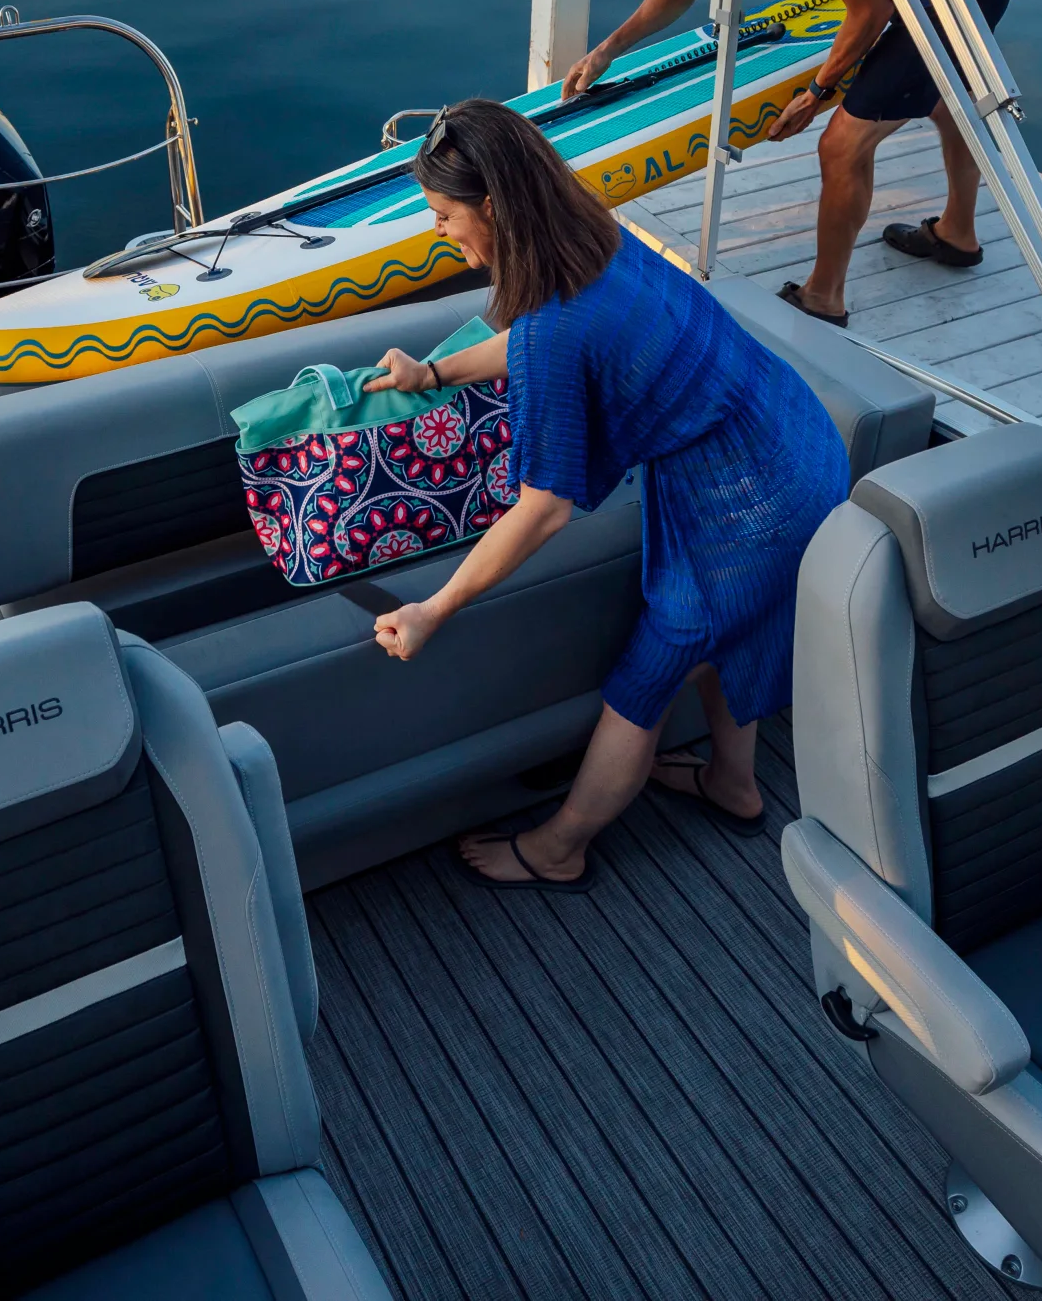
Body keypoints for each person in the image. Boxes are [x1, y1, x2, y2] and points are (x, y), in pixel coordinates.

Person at [360, 99, 852, 890]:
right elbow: (538, 338)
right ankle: (733, 783)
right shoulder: (597, 238)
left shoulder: (556, 324)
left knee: (644, 683)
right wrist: (434, 373)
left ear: (495, 206)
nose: (439, 230)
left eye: (445, 214)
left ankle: (560, 847)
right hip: (796, 440)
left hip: (747, 506)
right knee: (734, 632)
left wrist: (434, 608)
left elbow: (544, 506)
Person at [562, 0, 1021, 328]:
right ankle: (958, 235)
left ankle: (823, 298)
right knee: (941, 99)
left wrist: (818, 92)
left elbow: (869, 9)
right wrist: (607, 50)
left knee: (842, 145)